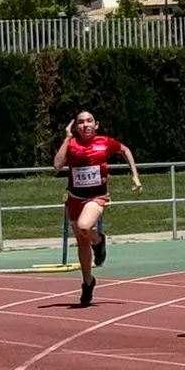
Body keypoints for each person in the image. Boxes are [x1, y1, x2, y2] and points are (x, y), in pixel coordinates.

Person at [53, 110, 140, 307]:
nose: (86, 125)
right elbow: (57, 165)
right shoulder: (72, 145)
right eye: (81, 122)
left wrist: (134, 175)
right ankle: (87, 282)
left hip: (97, 197)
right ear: (75, 127)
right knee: (82, 243)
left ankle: (99, 240)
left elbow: (125, 150)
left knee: (85, 226)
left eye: (89, 121)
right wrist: (66, 139)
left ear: (97, 124)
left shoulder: (105, 142)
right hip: (75, 198)